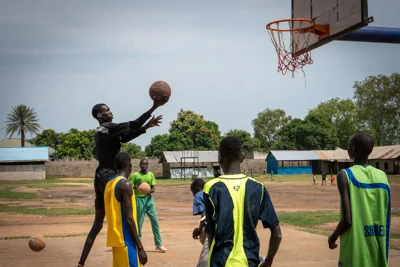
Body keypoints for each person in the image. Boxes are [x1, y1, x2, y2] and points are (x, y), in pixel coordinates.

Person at [77, 98, 166, 267]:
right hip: (109, 175)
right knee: (126, 215)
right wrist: (154, 106)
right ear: (99, 115)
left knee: (97, 223)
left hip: (99, 177)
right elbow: (132, 125)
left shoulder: (103, 131)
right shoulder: (108, 127)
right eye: (107, 110)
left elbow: (125, 137)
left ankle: (81, 263)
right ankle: (133, 245)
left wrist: (146, 127)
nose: (111, 112)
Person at [204, 136, 282, 267]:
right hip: (250, 262)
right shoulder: (258, 188)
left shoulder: (211, 188)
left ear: (220, 158)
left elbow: (210, 234)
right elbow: (277, 234)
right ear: (242, 158)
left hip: (221, 262)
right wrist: (268, 262)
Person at [328, 132, 391, 267]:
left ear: (353, 151)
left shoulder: (345, 175)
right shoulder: (383, 177)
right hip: (378, 249)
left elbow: (347, 220)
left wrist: (333, 236)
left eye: (348, 146)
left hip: (355, 252)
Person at [104, 152, 147, 267]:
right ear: (129, 166)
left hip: (116, 241)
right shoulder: (125, 185)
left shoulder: (109, 183)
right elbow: (129, 218)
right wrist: (140, 247)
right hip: (126, 241)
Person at [129, 159, 167, 252]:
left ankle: (158, 244)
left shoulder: (150, 175)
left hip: (149, 200)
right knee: (139, 223)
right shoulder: (136, 175)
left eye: (145, 164)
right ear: (139, 165)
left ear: (147, 165)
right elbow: (129, 186)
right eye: (142, 164)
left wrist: (148, 191)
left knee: (155, 222)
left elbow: (153, 189)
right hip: (139, 200)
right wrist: (136, 187)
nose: (144, 165)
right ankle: (138, 244)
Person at [190, 178, 208, 267]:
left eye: (192, 192)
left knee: (203, 263)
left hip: (212, 230)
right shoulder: (211, 192)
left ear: (197, 188)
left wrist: (200, 230)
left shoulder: (198, 195)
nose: (193, 195)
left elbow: (204, 215)